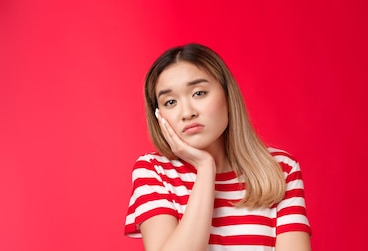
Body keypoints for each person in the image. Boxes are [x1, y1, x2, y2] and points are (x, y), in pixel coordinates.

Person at [124, 43, 311, 251]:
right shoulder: (153, 171)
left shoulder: (281, 169)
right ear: (158, 115)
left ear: (227, 96)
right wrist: (205, 168)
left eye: (199, 93)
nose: (187, 112)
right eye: (170, 102)